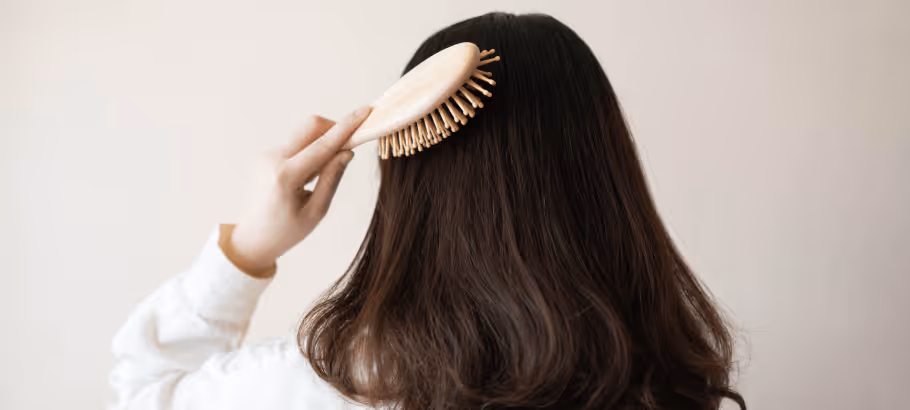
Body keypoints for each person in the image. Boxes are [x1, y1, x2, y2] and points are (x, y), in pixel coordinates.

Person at [110, 12, 746, 410]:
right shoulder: (666, 388)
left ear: (409, 187)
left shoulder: (313, 389)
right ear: (607, 180)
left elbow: (146, 393)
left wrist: (248, 249)